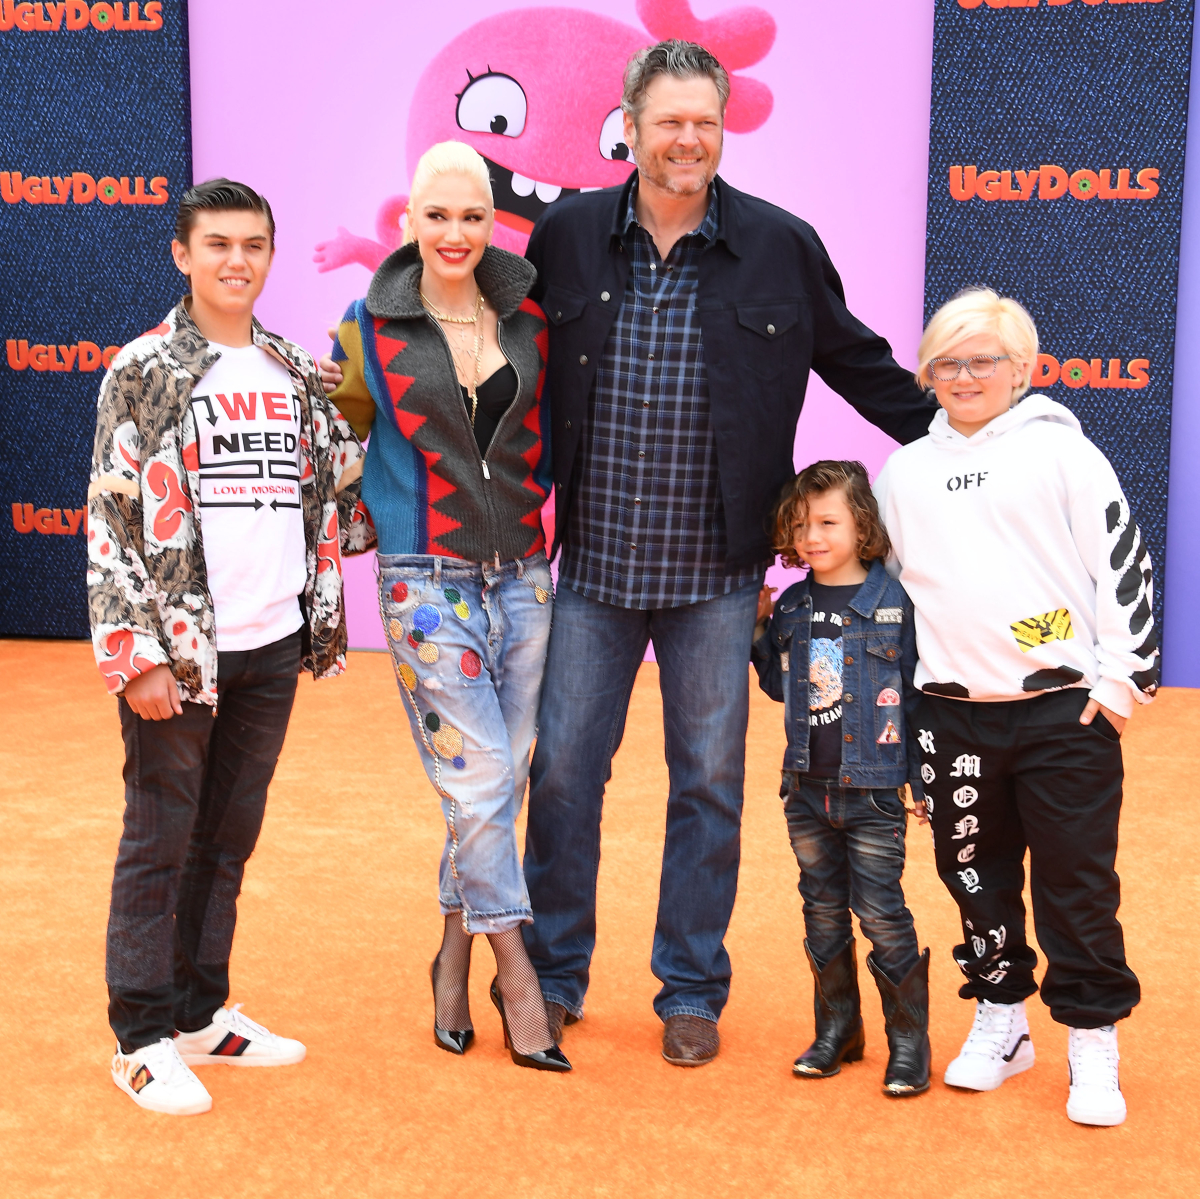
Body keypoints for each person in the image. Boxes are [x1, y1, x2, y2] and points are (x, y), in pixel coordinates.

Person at [517, 39, 937, 1065]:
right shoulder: (565, 236)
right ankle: (554, 977)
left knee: (706, 783)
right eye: (669, 121)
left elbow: (858, 361)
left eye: (705, 121)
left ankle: (692, 989)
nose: (688, 139)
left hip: (718, 575)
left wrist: (971, 435)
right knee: (564, 775)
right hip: (594, 570)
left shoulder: (781, 246)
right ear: (630, 126)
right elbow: (487, 349)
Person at [88, 179, 370, 1115]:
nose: (236, 261)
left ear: (270, 255)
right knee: (159, 836)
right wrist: (136, 654)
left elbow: (345, 484)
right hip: (177, 653)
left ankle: (199, 1014)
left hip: (272, 642)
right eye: (217, 244)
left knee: (227, 837)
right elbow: (111, 519)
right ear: (183, 254)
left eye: (253, 244)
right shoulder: (143, 369)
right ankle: (139, 1036)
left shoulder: (294, 370)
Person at [873, 288, 1158, 1126]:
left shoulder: (1065, 453)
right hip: (950, 718)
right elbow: (887, 593)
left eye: (984, 360)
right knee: (973, 876)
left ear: (1022, 369)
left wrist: (1118, 687)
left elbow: (1124, 565)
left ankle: (1092, 1035)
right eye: (947, 362)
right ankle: (1003, 1017)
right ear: (927, 373)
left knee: (1076, 882)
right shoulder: (903, 472)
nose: (965, 376)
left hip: (1063, 716)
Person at [324, 141, 568, 1072]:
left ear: (493, 223)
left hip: (526, 579)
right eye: (437, 216)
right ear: (408, 221)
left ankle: (451, 957)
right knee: (479, 782)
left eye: (472, 216)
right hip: (424, 583)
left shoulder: (532, 316)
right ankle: (518, 974)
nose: (455, 233)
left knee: (495, 787)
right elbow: (336, 439)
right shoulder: (364, 328)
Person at [752, 460, 929, 1096]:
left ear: (863, 526)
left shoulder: (895, 605)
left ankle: (908, 1044)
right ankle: (838, 1031)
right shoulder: (794, 607)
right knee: (821, 911)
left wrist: (923, 781)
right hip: (806, 789)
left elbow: (917, 698)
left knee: (881, 913)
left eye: (828, 523)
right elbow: (781, 688)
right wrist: (759, 630)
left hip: (874, 791)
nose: (812, 537)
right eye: (801, 525)